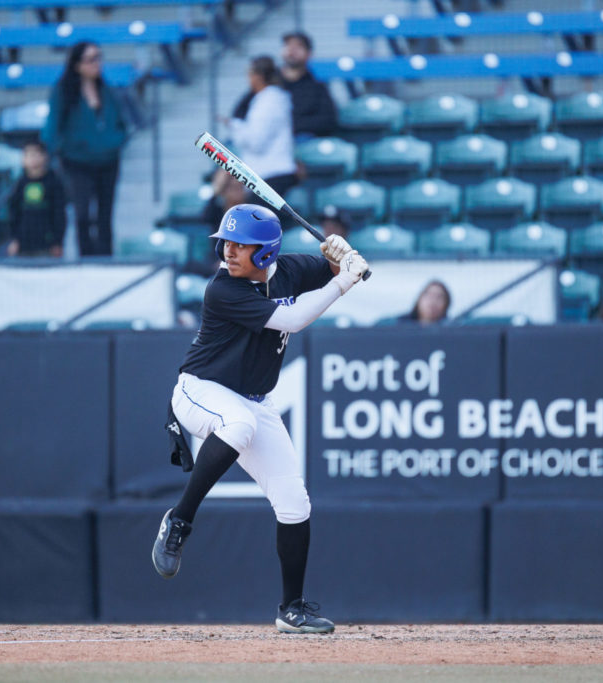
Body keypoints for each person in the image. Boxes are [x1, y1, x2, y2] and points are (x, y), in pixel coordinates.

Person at [151, 203, 369, 634]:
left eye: (240, 245)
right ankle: (179, 519)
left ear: (266, 252)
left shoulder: (288, 270)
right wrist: (345, 279)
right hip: (200, 390)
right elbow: (293, 319)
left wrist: (341, 255)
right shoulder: (223, 289)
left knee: (294, 502)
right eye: (225, 243)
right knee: (239, 425)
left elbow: (330, 268)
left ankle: (292, 609)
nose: (228, 252)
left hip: (254, 400)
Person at [41, 41, 126, 257]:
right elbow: (53, 125)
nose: (97, 63)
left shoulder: (106, 90)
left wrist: (117, 140)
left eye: (98, 57)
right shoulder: (63, 92)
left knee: (105, 215)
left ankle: (106, 259)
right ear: (77, 64)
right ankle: (86, 259)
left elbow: (120, 121)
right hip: (77, 162)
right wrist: (51, 152)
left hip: (108, 160)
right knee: (82, 215)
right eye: (91, 59)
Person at [224, 56, 297, 205]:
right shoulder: (267, 98)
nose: (248, 79)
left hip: (272, 173)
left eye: (250, 74)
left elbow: (255, 142)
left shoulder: (269, 101)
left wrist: (234, 126)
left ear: (258, 76)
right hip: (266, 173)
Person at [6, 140, 67, 258]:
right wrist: (14, 239)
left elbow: (59, 214)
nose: (32, 159)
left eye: (36, 154)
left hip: (47, 246)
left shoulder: (54, 183)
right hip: (23, 245)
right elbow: (14, 214)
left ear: (45, 157)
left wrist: (57, 242)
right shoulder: (19, 184)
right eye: (28, 155)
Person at [280, 31, 338, 140]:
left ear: (309, 53)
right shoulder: (268, 84)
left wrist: (290, 125)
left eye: (298, 46)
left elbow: (328, 120)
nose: (292, 50)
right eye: (288, 45)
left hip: (300, 139)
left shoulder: (316, 87)